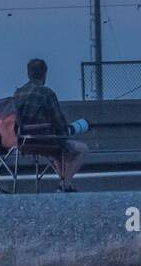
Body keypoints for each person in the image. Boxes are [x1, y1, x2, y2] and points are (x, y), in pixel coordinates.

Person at [14, 59, 87, 192]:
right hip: (46, 140)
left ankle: (65, 185)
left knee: (58, 154)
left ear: (28, 74)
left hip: (24, 142)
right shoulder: (47, 93)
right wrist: (70, 129)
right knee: (81, 149)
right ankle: (65, 183)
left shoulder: (18, 93)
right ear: (45, 74)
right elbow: (59, 121)